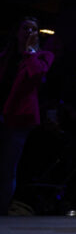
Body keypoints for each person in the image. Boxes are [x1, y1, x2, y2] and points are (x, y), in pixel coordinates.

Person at [0, 17, 55, 215]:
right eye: (26, 28)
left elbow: (36, 76)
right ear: (17, 32)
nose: (29, 32)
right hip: (2, 111)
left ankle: (2, 210)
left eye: (34, 29)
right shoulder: (6, 56)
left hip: (19, 118)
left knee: (7, 167)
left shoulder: (43, 56)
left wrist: (30, 52)